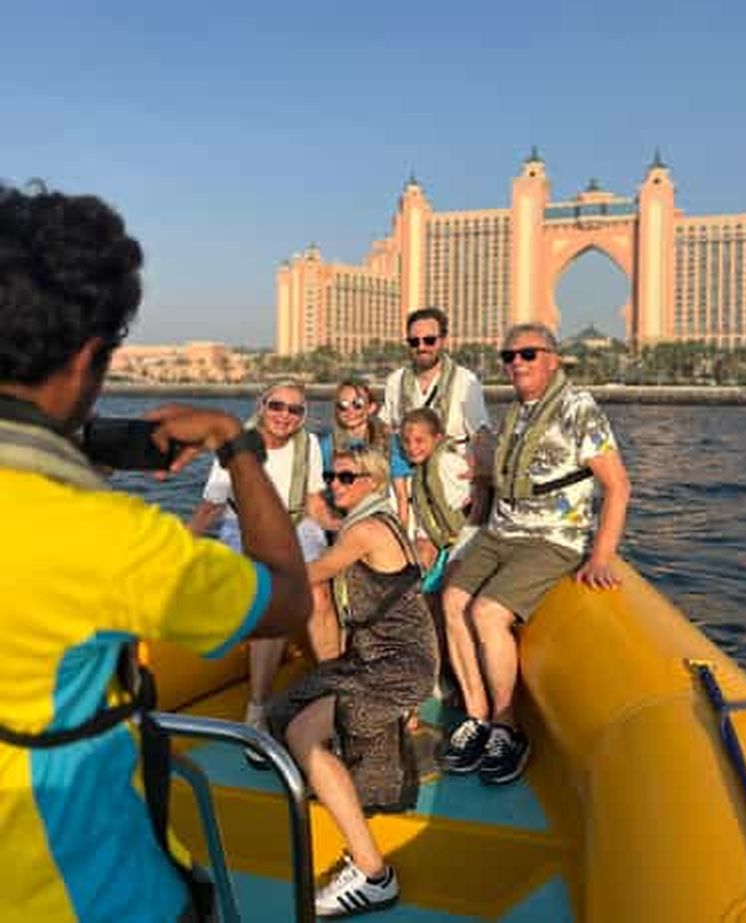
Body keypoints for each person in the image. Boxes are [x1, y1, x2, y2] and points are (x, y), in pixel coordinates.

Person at [0, 185, 310, 923]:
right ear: (87, 359)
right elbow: (288, 596)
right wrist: (236, 447)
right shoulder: (104, 539)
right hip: (92, 897)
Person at [441, 323, 630, 786]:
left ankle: (507, 728)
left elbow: (618, 486)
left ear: (552, 359)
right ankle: (477, 716)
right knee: (451, 601)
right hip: (501, 532)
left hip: (552, 539)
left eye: (528, 353)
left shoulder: (578, 409)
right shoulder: (517, 413)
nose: (517, 363)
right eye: (509, 356)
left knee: (487, 614)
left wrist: (601, 557)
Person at [267, 448, 438, 918]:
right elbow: (329, 521)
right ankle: (346, 770)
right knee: (283, 709)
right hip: (372, 658)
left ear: (373, 481)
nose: (334, 484)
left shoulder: (365, 531)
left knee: (301, 733)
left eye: (346, 477)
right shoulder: (377, 518)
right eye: (330, 475)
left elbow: (311, 574)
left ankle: (373, 874)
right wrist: (314, 509)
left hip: (396, 666)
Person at [189, 379, 337, 756]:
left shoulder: (309, 445)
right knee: (274, 592)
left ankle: (335, 692)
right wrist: (182, 545)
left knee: (320, 592)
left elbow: (314, 504)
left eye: (295, 410)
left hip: (298, 526)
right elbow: (212, 506)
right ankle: (257, 709)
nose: (285, 416)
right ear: (262, 405)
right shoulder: (236, 446)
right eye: (277, 406)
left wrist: (348, 529)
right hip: (247, 528)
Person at [380, 306, 491, 450]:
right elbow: (385, 427)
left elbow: (480, 435)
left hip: (452, 461)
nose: (421, 347)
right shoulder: (395, 381)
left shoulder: (465, 381)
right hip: (405, 461)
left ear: (443, 340)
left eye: (429, 340)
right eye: (414, 342)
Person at [400, 407, 480, 586]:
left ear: (437, 439)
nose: (412, 448)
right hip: (440, 540)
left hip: (465, 539)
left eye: (419, 441)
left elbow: (475, 492)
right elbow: (426, 513)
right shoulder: (419, 472)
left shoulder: (447, 462)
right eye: (406, 441)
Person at [319, 378, 412, 526]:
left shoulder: (390, 442)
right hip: (344, 517)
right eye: (343, 406)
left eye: (357, 405)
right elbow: (324, 489)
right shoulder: (328, 444)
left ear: (371, 408)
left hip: (382, 514)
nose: (350, 411)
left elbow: (401, 496)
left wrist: (401, 530)